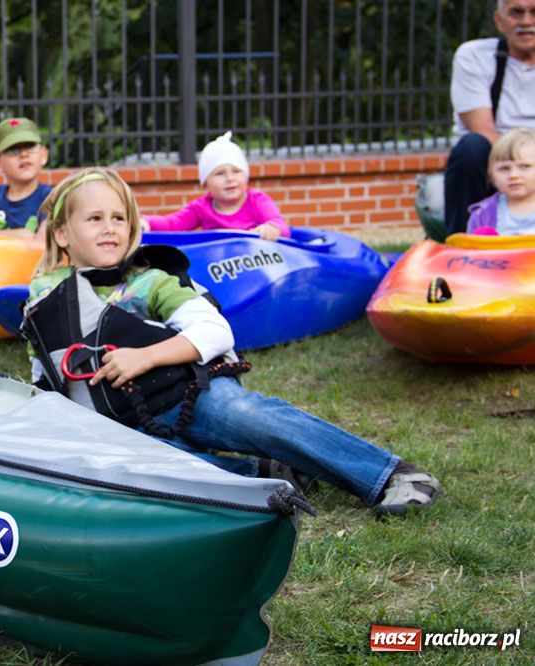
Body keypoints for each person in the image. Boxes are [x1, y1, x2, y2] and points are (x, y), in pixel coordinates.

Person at [23, 167, 441, 516]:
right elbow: (45, 376)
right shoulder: (43, 303)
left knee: (250, 414)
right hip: (130, 425)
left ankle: (391, 474)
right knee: (141, 471)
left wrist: (144, 357)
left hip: (189, 396)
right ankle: (265, 475)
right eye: (94, 219)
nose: (110, 229)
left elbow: (215, 331)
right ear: (61, 233)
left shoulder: (150, 281)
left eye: (118, 218)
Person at [444, 0, 535, 236]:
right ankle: (459, 246)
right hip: (495, 164)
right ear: (498, 20)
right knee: (472, 147)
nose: (526, 21)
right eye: (516, 13)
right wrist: (520, 167)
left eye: (534, 12)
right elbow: (482, 129)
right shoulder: (474, 56)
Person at [142, 131, 289, 241]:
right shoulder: (201, 208)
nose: (230, 179)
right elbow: (173, 224)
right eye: (220, 173)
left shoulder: (257, 200)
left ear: (245, 176)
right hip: (218, 271)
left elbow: (281, 226)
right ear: (206, 182)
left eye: (236, 171)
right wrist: (146, 222)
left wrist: (270, 229)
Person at [467, 128, 535, 235]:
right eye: (504, 168)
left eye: (525, 166)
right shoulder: (482, 215)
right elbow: (471, 250)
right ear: (491, 174)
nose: (514, 175)